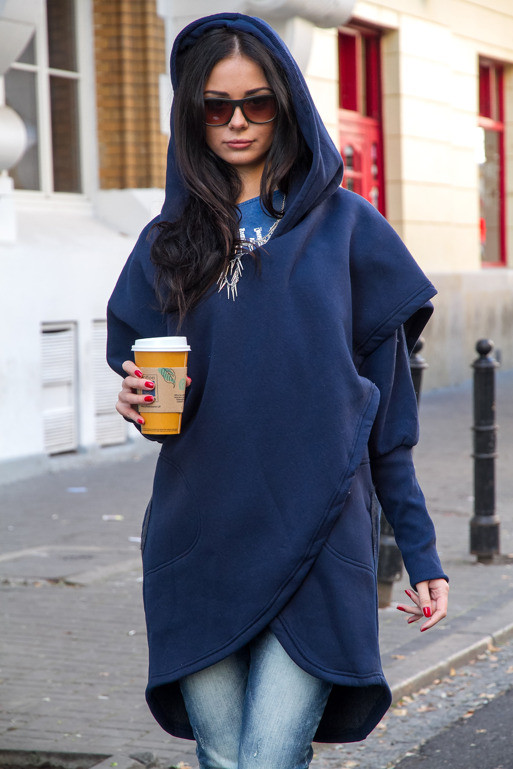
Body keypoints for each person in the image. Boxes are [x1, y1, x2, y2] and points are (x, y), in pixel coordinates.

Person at [107, 12, 449, 769]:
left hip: (318, 543)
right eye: (216, 106)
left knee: (265, 759)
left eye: (256, 103)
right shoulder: (167, 245)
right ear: (192, 114)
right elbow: (162, 403)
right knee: (224, 758)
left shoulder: (350, 230)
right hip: (201, 542)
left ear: (286, 105)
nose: (236, 122)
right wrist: (136, 406)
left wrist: (422, 554)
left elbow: (388, 421)